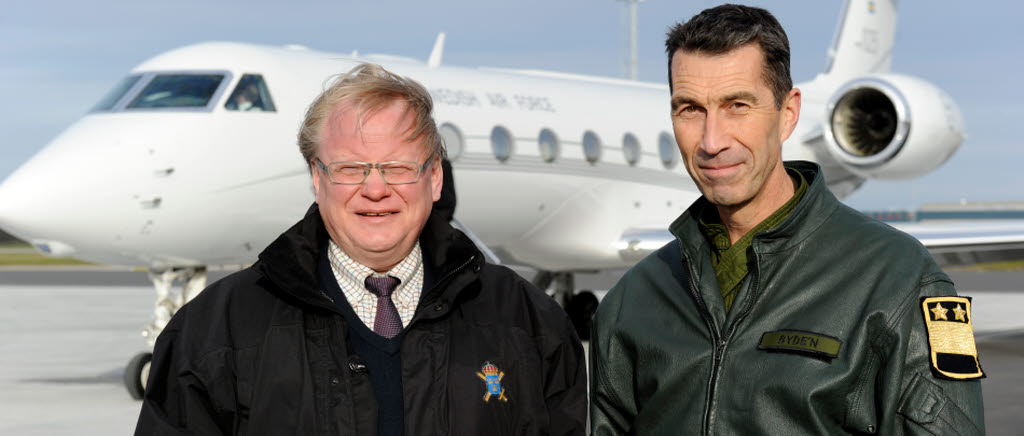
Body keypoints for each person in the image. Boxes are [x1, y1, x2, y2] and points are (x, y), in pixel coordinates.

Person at [589, 4, 985, 435]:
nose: (712, 141)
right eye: (689, 109)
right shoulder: (632, 301)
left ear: (788, 113)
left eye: (737, 105)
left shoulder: (899, 279)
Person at [135, 63, 586, 435]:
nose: (375, 189)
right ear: (317, 177)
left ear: (434, 179)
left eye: (397, 167)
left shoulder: (530, 323)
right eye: (350, 168)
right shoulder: (214, 333)